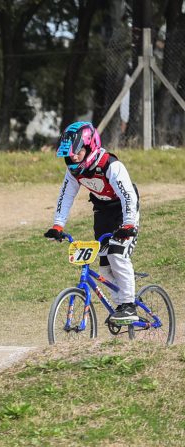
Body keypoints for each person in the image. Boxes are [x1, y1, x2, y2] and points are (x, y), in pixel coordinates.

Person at [45, 121, 140, 324]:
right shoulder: (73, 171)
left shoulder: (110, 165)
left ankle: (129, 305)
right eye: (68, 153)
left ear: (90, 146)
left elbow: (128, 196)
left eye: (77, 152)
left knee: (117, 254)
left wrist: (129, 223)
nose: (72, 157)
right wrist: (58, 225)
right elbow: (65, 196)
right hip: (103, 211)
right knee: (105, 264)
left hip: (124, 211)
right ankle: (120, 308)